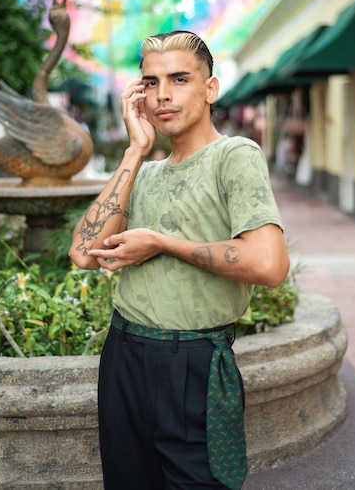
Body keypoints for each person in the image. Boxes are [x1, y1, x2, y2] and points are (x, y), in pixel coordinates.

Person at [69, 30, 290, 490]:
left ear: (210, 89)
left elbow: (269, 264)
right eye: (150, 82)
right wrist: (135, 149)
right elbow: (83, 253)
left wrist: (163, 242)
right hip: (123, 355)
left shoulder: (234, 155)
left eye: (179, 79)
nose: (163, 94)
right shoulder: (144, 172)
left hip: (194, 362)